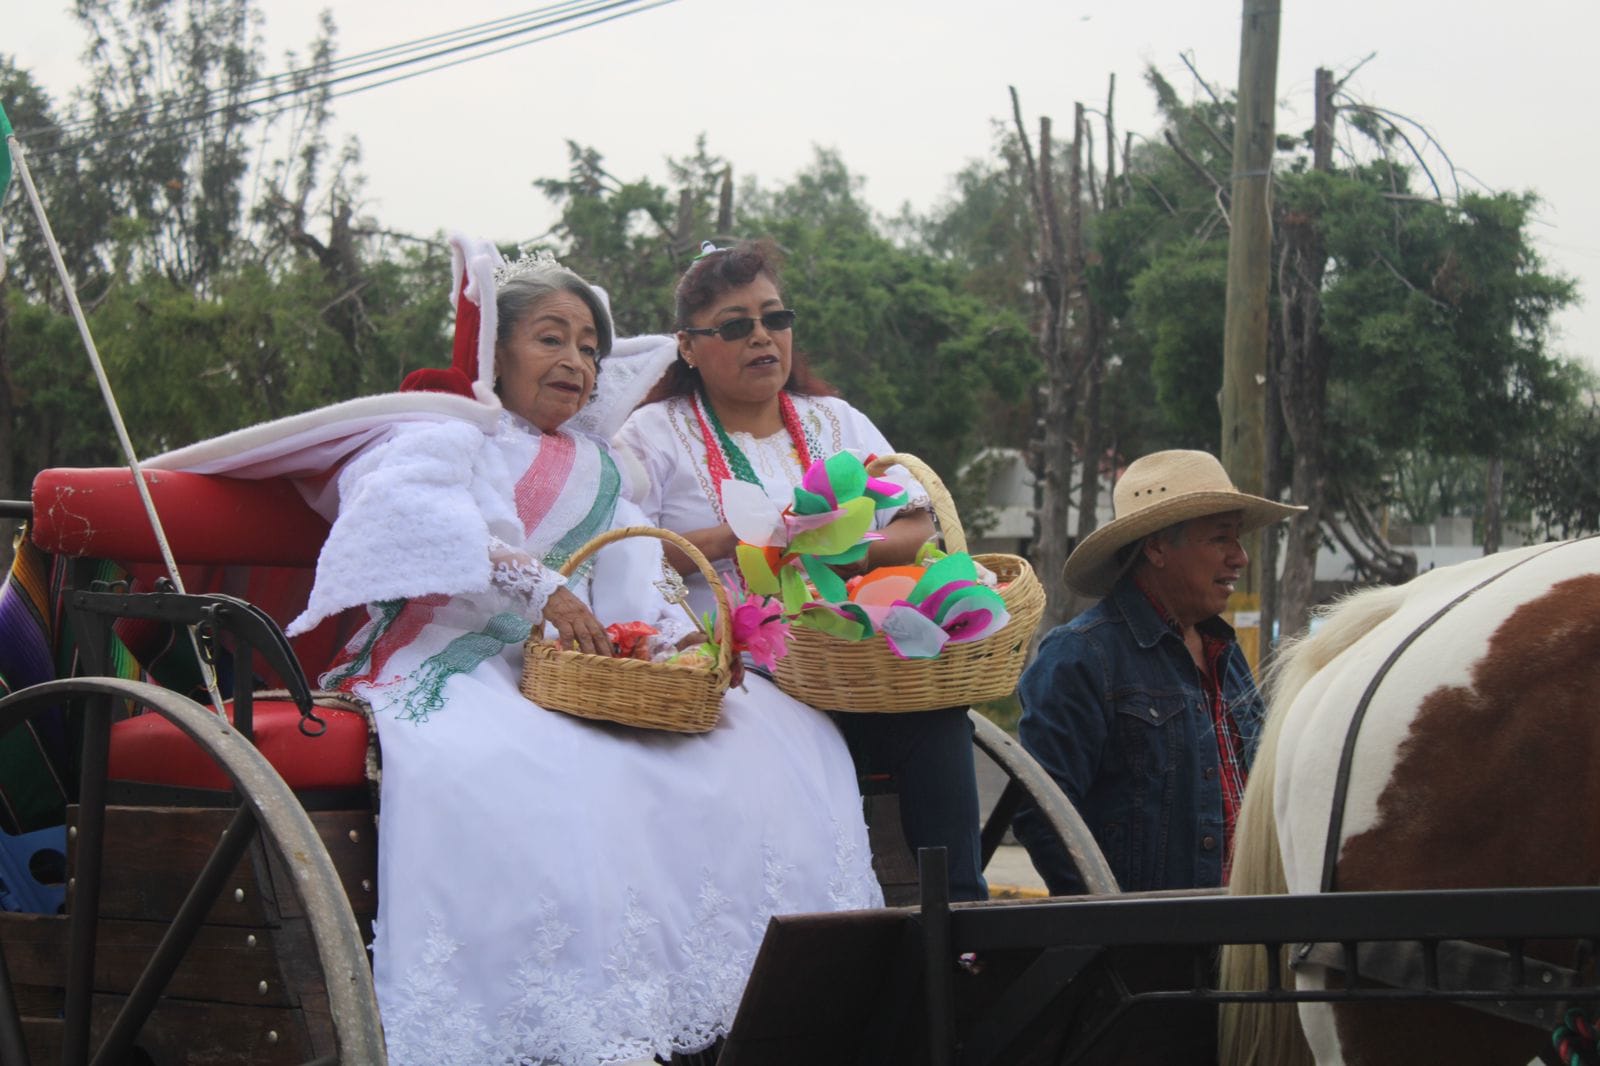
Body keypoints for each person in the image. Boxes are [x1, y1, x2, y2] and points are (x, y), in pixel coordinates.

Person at [286, 238, 881, 1065]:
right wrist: (544, 592)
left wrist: (685, 646)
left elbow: (632, 576)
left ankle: (732, 992)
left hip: (571, 668)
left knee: (768, 736)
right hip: (455, 654)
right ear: (499, 352)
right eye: (552, 338)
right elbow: (425, 523)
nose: (577, 361)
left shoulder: (605, 467)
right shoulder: (448, 432)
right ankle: (538, 1019)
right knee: (541, 769)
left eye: (591, 348)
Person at [615, 239, 989, 903]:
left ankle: (960, 923)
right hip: (730, 669)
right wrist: (739, 541)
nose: (762, 337)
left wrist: (826, 550)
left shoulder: (835, 421)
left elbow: (914, 521)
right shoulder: (652, 434)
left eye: (774, 319)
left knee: (937, 715)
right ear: (689, 346)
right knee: (772, 728)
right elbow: (623, 543)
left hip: (855, 658)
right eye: (735, 326)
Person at [1012, 449, 1303, 896]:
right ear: (1156, 547)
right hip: (1147, 948)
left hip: (1242, 939)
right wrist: (1112, 931)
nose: (1240, 557)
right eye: (1220, 538)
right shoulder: (1081, 656)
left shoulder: (1225, 653)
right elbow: (1044, 816)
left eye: (1238, 538)